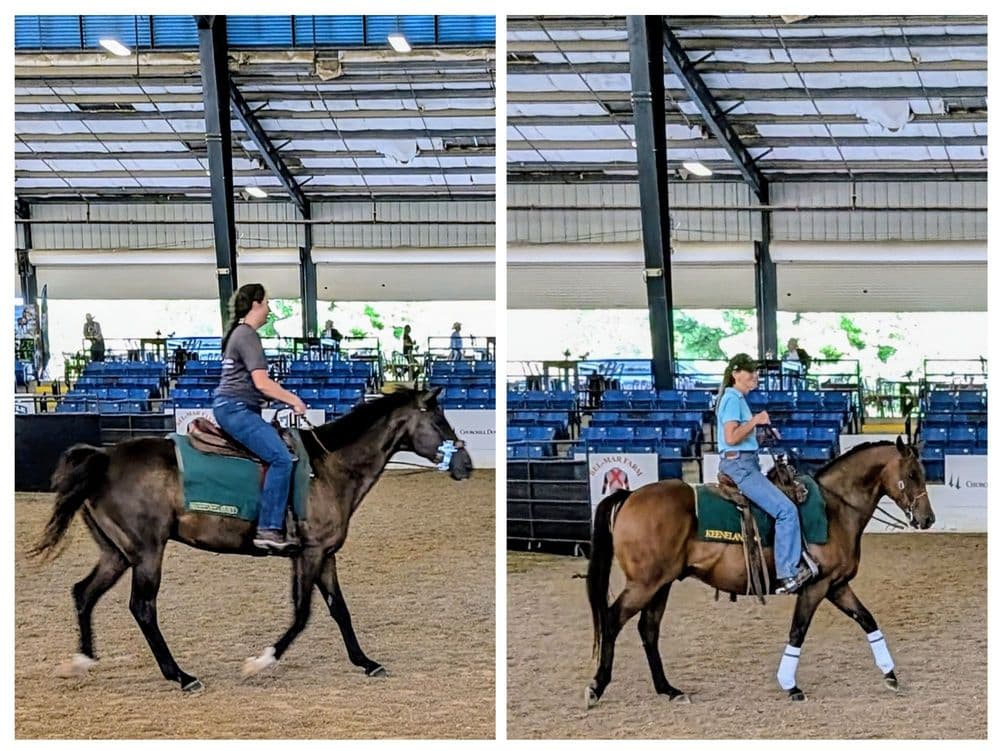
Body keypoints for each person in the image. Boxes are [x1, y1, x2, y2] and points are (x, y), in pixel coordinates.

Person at [212, 284, 307, 552]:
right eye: (267, 303)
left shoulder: (239, 334)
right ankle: (268, 528)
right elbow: (262, 383)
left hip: (235, 407)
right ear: (255, 304)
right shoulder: (247, 335)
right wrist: (294, 400)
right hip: (237, 409)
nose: (269, 309)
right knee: (281, 458)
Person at [716, 353, 812, 594]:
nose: (755, 376)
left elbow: (740, 437)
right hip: (741, 466)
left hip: (743, 462)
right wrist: (757, 420)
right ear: (736, 374)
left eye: (756, 372)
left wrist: (760, 434)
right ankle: (788, 574)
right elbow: (730, 438)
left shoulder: (736, 399)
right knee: (786, 511)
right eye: (750, 372)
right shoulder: (732, 399)